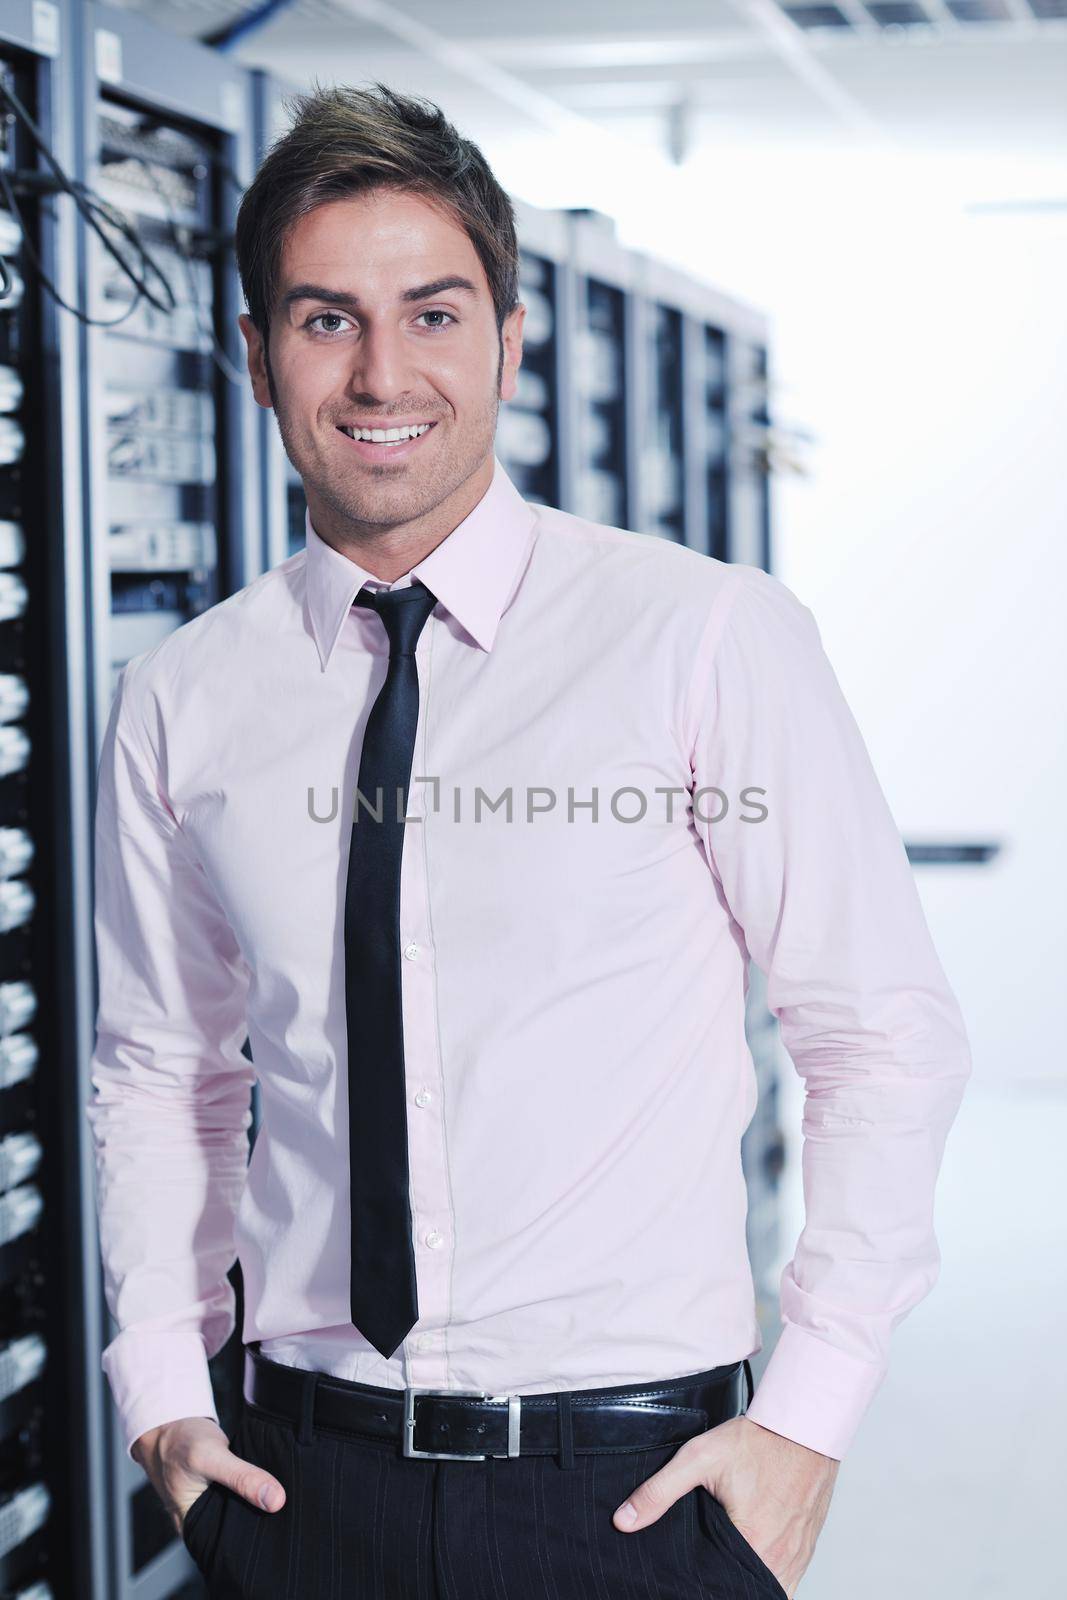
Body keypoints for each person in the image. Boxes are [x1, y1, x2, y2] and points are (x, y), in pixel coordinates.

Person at [85, 81, 972, 1599]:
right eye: (323, 320)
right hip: (297, 1485)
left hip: (629, 1494)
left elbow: (878, 1032)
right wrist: (163, 1387)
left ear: (510, 339)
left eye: (434, 314)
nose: (382, 372)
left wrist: (809, 1424)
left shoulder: (704, 638)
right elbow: (164, 1069)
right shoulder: (184, 696)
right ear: (252, 356)